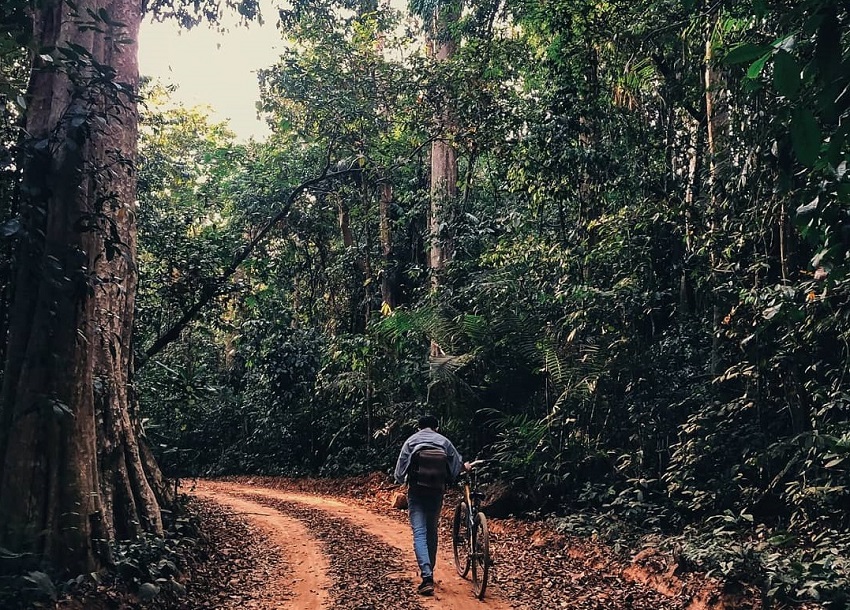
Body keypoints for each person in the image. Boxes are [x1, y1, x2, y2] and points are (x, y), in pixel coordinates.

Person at [393, 414, 468, 596]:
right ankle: (430, 570)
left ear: (419, 427)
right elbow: (456, 467)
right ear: (437, 427)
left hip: (416, 491)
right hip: (436, 491)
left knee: (419, 531)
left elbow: (398, 473)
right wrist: (464, 467)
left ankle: (426, 576)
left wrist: (403, 479)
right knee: (431, 530)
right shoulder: (444, 441)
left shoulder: (411, 441)